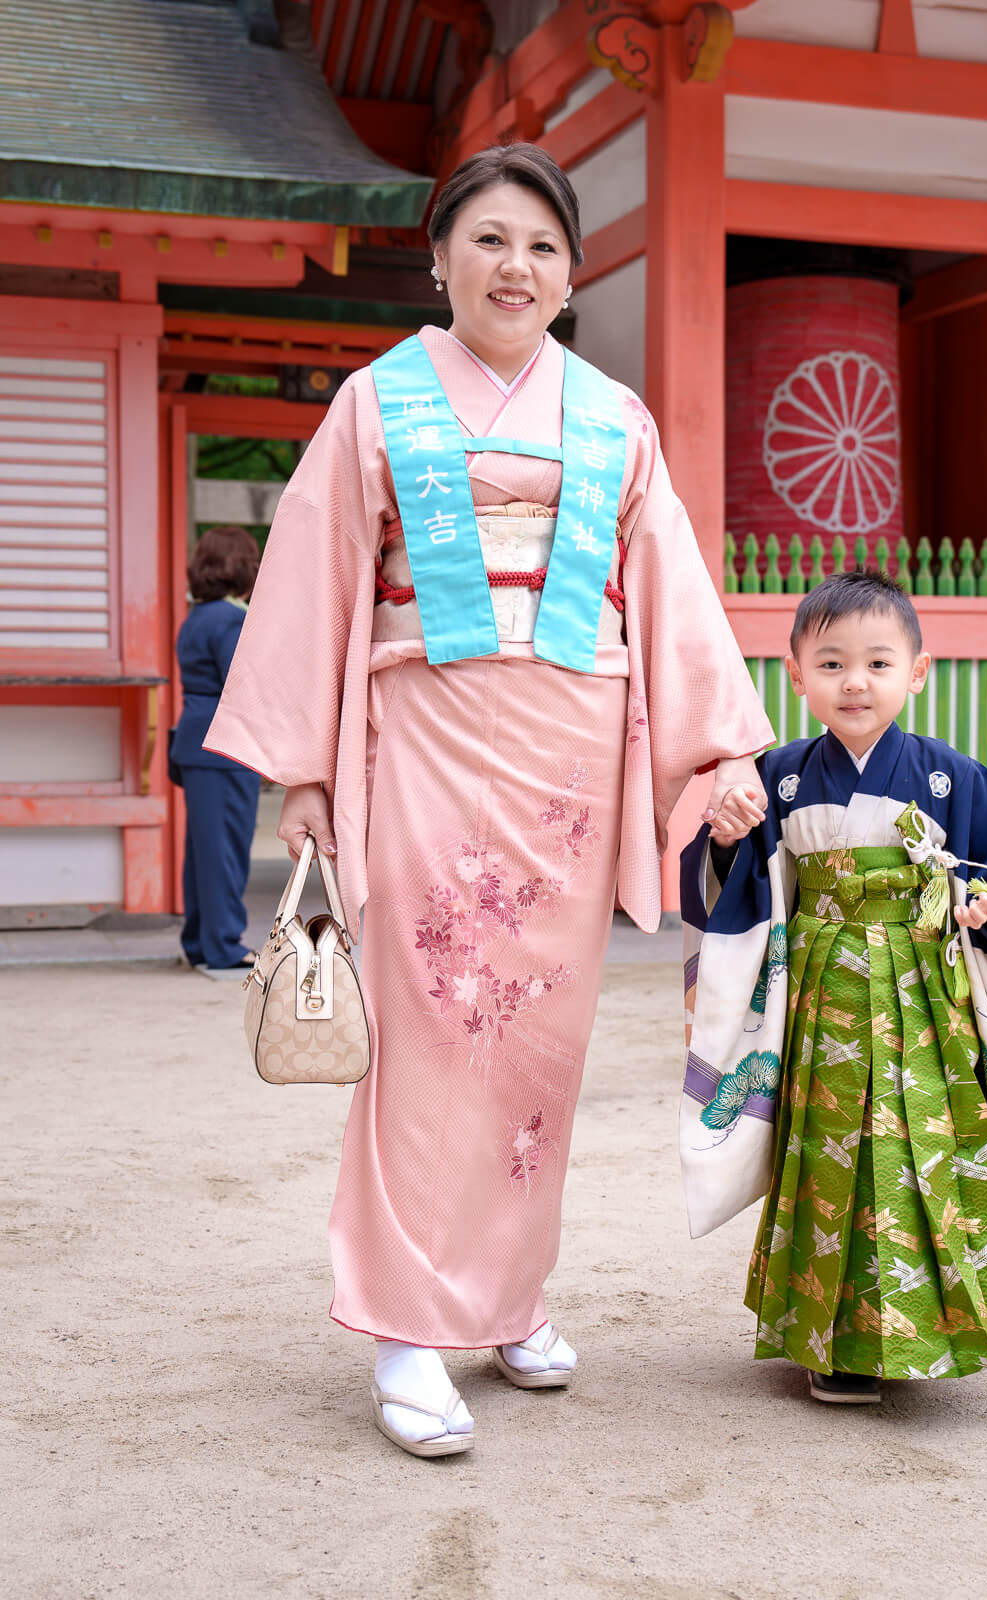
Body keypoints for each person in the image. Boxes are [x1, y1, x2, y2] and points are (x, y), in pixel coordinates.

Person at [205, 143, 774, 1457]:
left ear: (572, 275)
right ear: (440, 257)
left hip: (569, 762)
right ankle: (408, 1326)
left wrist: (717, 752)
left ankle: (508, 1297)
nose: (517, 268)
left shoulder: (614, 418)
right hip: (429, 749)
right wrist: (304, 770)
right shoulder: (377, 403)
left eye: (543, 247)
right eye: (491, 241)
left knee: (536, 1053)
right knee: (428, 1047)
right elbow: (317, 580)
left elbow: (672, 592)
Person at [679, 569, 987, 1405]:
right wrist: (723, 839)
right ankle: (835, 1343)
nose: (856, 682)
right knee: (825, 1157)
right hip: (818, 1001)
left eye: (879, 664)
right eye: (832, 664)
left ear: (917, 672)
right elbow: (724, 889)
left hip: (926, 998)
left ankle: (931, 1327)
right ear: (795, 673)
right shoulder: (775, 779)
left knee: (925, 1148)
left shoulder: (951, 778)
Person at [171, 524, 262, 977]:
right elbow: (241, 685)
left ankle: (201, 939)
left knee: (204, 850)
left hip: (193, 742)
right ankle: (225, 944)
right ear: (243, 568)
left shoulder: (196, 618)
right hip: (225, 745)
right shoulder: (231, 620)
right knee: (226, 849)